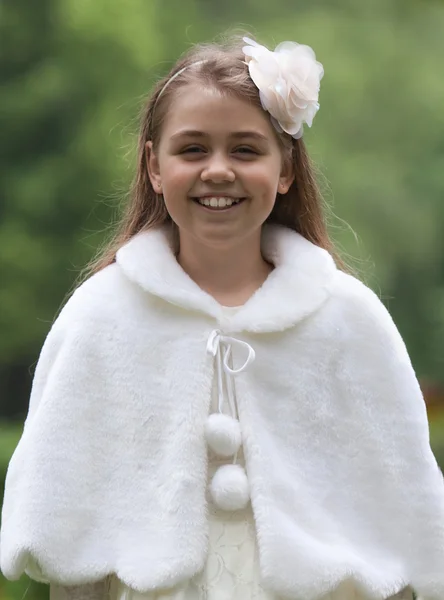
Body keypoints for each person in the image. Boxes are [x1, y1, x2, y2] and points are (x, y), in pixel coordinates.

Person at [0, 33, 442, 600]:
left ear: (285, 169)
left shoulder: (349, 321)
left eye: (245, 150)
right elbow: (73, 547)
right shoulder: (100, 318)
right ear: (154, 167)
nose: (217, 171)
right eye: (191, 150)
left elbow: (401, 527)